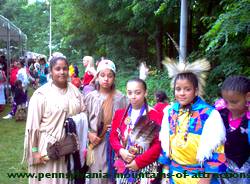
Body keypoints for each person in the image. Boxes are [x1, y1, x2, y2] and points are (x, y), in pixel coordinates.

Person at [159, 58, 227, 184]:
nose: (182, 93)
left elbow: (217, 149)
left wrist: (205, 179)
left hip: (199, 177)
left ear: (195, 91)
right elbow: (165, 144)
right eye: (178, 89)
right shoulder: (170, 112)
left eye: (187, 89)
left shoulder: (209, 114)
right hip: (175, 175)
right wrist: (166, 172)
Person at [22, 56, 86, 184]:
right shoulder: (41, 94)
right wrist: (35, 152)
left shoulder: (75, 91)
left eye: (65, 69)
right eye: (57, 69)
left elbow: (83, 112)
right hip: (47, 148)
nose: (62, 72)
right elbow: (33, 126)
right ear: (51, 71)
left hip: (70, 148)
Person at [110, 78, 162, 184]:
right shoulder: (120, 114)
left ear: (145, 93)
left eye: (137, 93)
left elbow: (158, 145)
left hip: (146, 166)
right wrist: (121, 151)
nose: (133, 96)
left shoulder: (155, 115)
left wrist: (139, 162)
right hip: (124, 163)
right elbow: (113, 137)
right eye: (130, 93)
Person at [84, 59, 127, 184]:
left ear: (114, 78)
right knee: (97, 176)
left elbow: (127, 122)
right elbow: (83, 121)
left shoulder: (121, 98)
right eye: (102, 75)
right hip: (96, 144)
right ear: (97, 77)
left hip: (115, 145)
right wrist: (89, 134)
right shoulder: (90, 98)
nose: (106, 79)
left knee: (112, 176)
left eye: (110, 76)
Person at [216, 75, 250, 184]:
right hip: (222, 168)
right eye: (226, 101)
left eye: (234, 102)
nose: (229, 106)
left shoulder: (248, 121)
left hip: (244, 171)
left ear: (248, 97)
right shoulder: (220, 113)